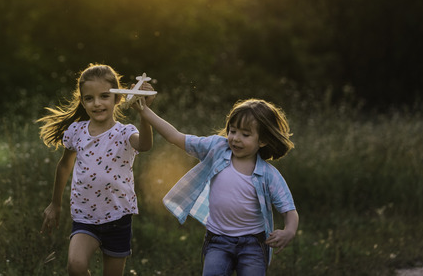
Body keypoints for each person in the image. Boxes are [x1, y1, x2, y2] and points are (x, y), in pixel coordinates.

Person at [137, 98, 298, 276]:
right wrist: (145, 111)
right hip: (218, 241)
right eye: (233, 130)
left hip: (253, 244)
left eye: (245, 135)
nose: (236, 138)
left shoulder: (269, 175)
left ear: (263, 140)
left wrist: (289, 231)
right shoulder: (217, 148)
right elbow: (175, 137)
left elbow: (289, 210)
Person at [39, 64, 153, 276]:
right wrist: (55, 203)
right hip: (85, 217)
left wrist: (144, 111)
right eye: (89, 98)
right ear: (82, 101)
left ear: (118, 98)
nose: (97, 103)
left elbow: (145, 145)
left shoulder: (125, 132)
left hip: (118, 217)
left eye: (104, 96)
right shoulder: (77, 131)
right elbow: (64, 165)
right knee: (76, 266)